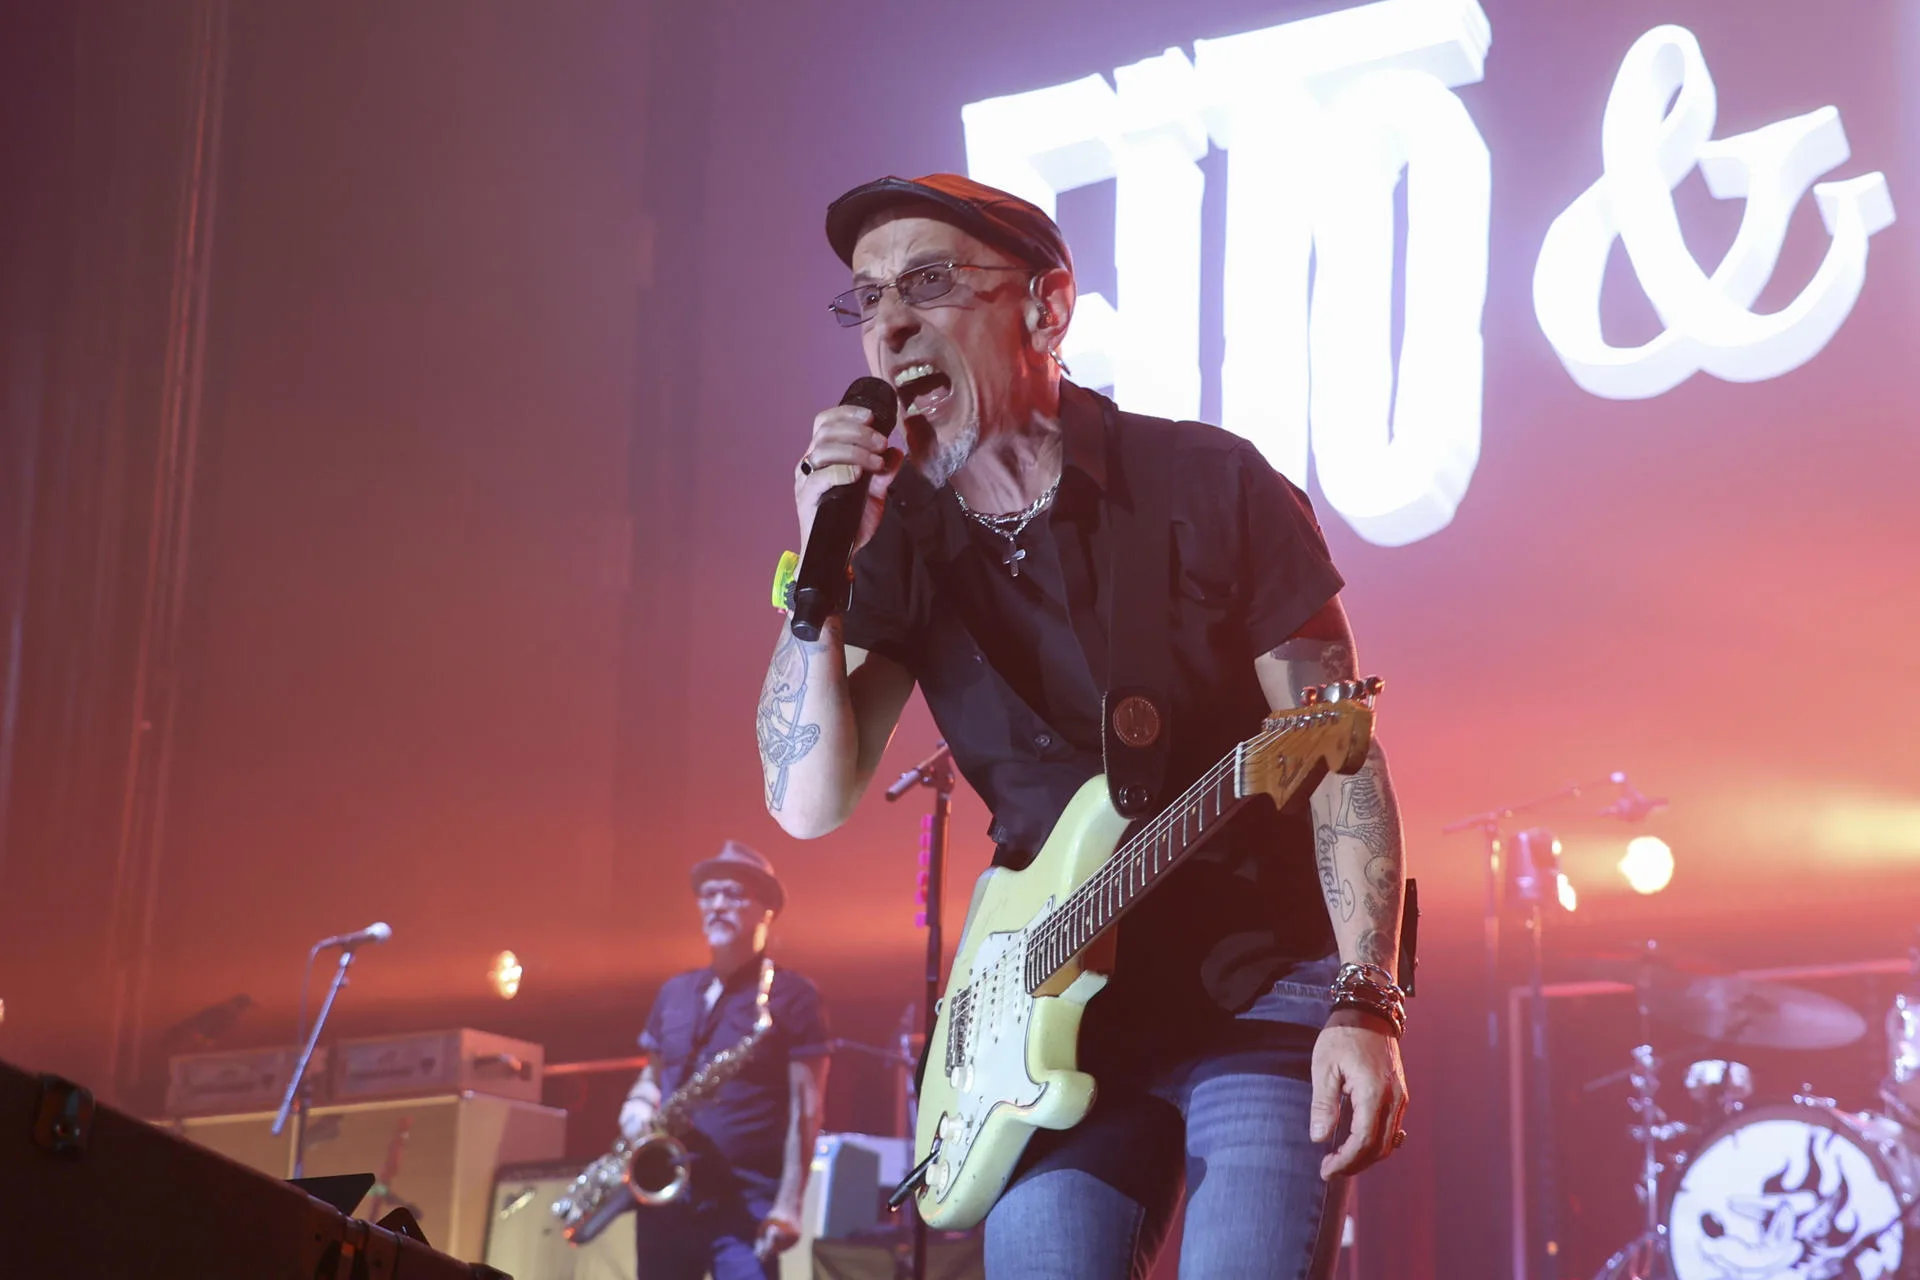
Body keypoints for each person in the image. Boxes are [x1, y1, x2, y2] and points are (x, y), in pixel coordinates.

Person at [754, 173, 1410, 1279]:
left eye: (927, 282)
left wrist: (1368, 995)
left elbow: (1338, 750)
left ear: (1048, 310)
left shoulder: (1207, 483)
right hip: (1047, 1014)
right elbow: (807, 800)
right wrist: (817, 567)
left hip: (1257, 978)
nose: (891, 322)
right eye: (867, 299)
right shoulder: (898, 540)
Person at [620, 841, 831, 1280]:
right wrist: (637, 1106)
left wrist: (788, 1205)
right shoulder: (674, 993)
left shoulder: (792, 995)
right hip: (667, 1196)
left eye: (733, 894)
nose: (717, 904)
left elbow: (806, 1111)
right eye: (709, 894)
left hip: (745, 1205)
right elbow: (650, 1079)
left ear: (766, 910)